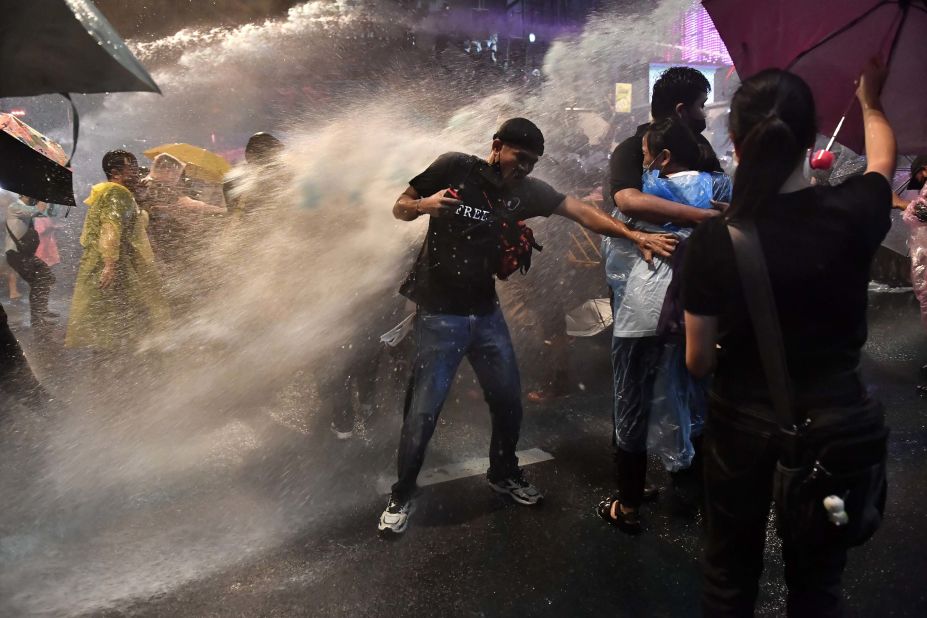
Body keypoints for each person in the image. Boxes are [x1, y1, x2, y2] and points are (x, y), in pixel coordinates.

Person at [378, 117, 677, 535]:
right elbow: (399, 206)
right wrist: (423, 206)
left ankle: (503, 473)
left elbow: (582, 213)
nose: (524, 170)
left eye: (533, 164)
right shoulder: (454, 167)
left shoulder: (525, 192)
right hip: (439, 314)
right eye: (520, 159)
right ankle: (403, 493)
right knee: (424, 412)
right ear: (497, 145)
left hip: (485, 314)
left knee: (508, 400)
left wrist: (632, 235)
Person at [682, 61, 895, 616]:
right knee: (818, 579)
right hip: (836, 422)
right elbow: (882, 163)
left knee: (730, 573)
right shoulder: (853, 211)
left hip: (742, 423)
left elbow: (699, 361)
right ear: (811, 139)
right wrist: (869, 102)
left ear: (734, 141)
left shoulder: (713, 240)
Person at [598, 117, 732, 533]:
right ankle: (699, 493)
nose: (643, 162)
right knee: (691, 398)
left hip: (643, 311)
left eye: (645, 155)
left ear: (664, 155)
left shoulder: (646, 189)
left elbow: (623, 203)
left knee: (632, 403)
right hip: (692, 310)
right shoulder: (713, 187)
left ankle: (630, 505)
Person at [66, 150, 167, 350]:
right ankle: (120, 363)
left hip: (105, 262)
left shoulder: (108, 191)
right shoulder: (116, 192)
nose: (137, 174)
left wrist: (141, 202)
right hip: (115, 265)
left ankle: (113, 360)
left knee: (110, 315)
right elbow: (110, 227)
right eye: (132, 169)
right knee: (124, 313)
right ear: (115, 172)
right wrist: (110, 264)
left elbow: (131, 222)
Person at [5, 195, 58, 328]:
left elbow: (50, 213)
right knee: (38, 281)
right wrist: (41, 201)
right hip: (15, 254)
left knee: (47, 277)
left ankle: (41, 311)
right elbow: (35, 210)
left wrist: (48, 204)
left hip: (25, 254)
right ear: (24, 194)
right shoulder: (14, 207)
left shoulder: (25, 207)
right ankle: (38, 316)